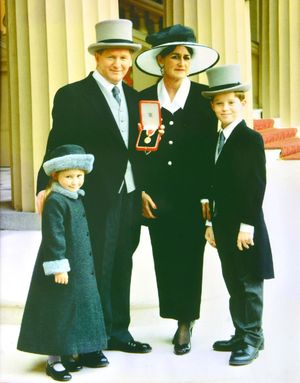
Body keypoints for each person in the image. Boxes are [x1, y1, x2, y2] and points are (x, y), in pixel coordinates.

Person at [36, 19, 151, 363]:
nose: (119, 65)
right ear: (97, 58)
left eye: (125, 58)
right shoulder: (72, 95)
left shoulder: (135, 98)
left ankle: (117, 330)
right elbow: (58, 144)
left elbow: (140, 149)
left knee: (122, 262)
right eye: (111, 58)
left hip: (128, 195)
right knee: (93, 266)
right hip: (92, 196)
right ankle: (89, 340)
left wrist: (144, 188)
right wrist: (47, 186)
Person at [135, 24, 219, 355]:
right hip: (157, 196)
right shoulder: (143, 100)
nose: (181, 62)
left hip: (193, 197)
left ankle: (186, 322)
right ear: (160, 61)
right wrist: (140, 190)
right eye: (175, 56)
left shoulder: (202, 99)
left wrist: (209, 196)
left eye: (186, 57)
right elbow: (137, 149)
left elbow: (211, 153)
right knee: (165, 257)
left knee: (189, 258)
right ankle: (174, 313)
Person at [203, 64, 274, 366]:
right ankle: (240, 330)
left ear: (243, 103)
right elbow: (211, 183)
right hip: (222, 221)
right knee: (232, 279)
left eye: (231, 102)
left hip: (246, 224)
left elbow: (255, 185)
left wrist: (247, 225)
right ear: (212, 106)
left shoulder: (249, 139)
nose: (225, 108)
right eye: (219, 103)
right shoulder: (215, 139)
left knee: (249, 280)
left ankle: (253, 338)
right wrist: (209, 223)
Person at [17, 145, 107, 381]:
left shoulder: (75, 198)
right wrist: (58, 265)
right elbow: (54, 235)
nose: (75, 182)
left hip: (79, 265)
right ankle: (54, 359)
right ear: (56, 175)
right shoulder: (56, 200)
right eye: (69, 177)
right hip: (63, 266)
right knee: (59, 308)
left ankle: (79, 351)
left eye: (79, 176)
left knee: (82, 305)